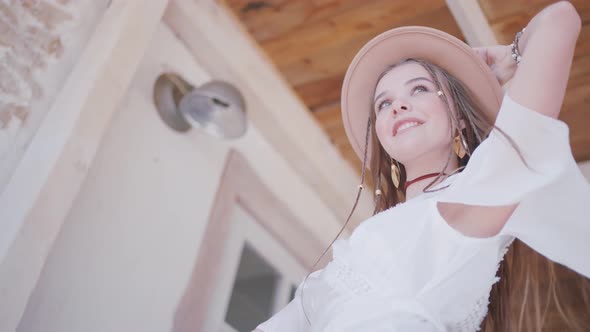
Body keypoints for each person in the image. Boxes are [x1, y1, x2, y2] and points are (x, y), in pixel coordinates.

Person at [255, 1, 589, 331]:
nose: (398, 105)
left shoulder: (482, 190)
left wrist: (510, 55)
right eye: (383, 103)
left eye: (420, 89)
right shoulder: (355, 254)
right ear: (382, 137)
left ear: (459, 118)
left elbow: (559, 18)